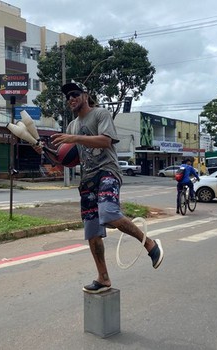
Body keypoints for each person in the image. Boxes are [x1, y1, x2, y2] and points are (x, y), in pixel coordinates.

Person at [37, 81, 164, 294]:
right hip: (87, 179)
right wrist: (42, 150)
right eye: (67, 97)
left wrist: (75, 137)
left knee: (109, 213)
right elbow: (66, 160)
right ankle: (103, 278)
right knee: (92, 230)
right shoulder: (72, 126)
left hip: (107, 171)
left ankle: (150, 244)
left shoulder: (100, 114)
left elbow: (106, 142)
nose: (71, 99)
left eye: (75, 94)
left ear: (85, 95)